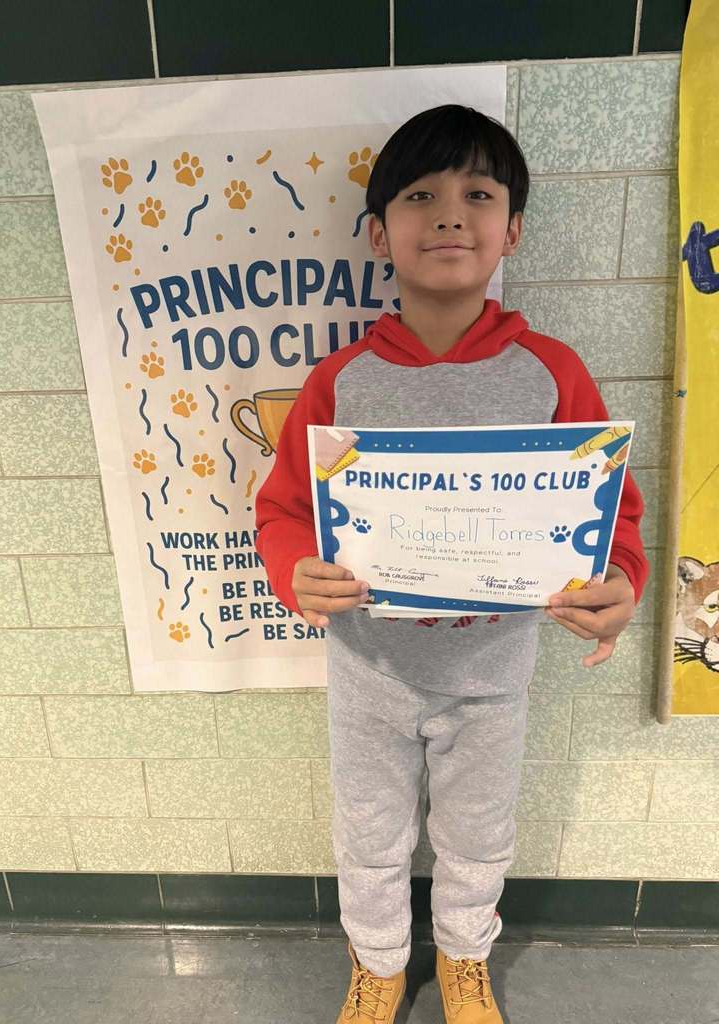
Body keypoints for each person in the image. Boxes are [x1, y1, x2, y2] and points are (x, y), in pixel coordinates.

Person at [255, 104, 648, 1024]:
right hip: (368, 671)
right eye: (420, 196)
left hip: (492, 673)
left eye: (478, 195)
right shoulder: (340, 381)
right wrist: (293, 567)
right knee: (369, 836)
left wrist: (620, 581)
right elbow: (282, 509)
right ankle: (379, 964)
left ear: (512, 230)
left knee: (477, 834)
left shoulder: (551, 371)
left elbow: (611, 511)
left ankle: (465, 958)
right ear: (378, 233)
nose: (448, 216)